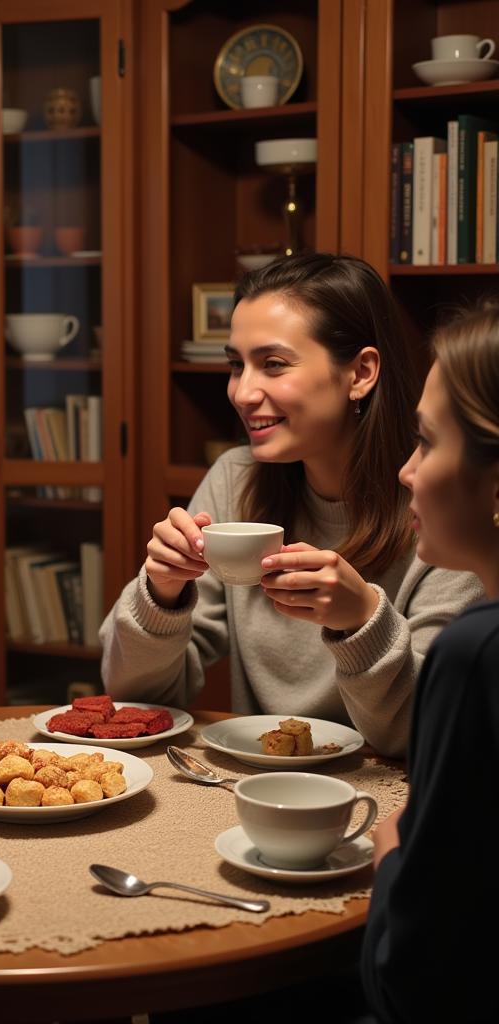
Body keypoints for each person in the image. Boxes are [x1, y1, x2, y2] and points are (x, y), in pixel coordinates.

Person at [100, 254, 482, 756]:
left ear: (361, 372)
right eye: (236, 365)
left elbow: (422, 733)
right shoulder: (235, 481)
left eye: (273, 364)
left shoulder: (440, 504)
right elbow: (136, 703)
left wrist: (362, 620)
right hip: (250, 787)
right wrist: (162, 594)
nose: (242, 392)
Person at [363, 302, 499, 1023]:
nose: (406, 472)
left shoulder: (475, 651)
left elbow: (411, 983)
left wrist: (392, 850)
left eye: (426, 442)